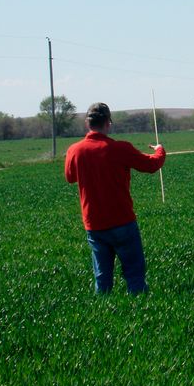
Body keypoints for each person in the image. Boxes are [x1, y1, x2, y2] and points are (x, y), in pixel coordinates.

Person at [64, 102, 166, 294]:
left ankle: (104, 313)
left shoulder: (74, 150)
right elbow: (152, 165)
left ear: (88, 124)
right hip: (122, 221)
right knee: (134, 275)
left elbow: (70, 178)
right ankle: (138, 309)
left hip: (94, 225)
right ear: (108, 123)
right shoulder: (120, 148)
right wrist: (160, 150)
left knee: (102, 278)